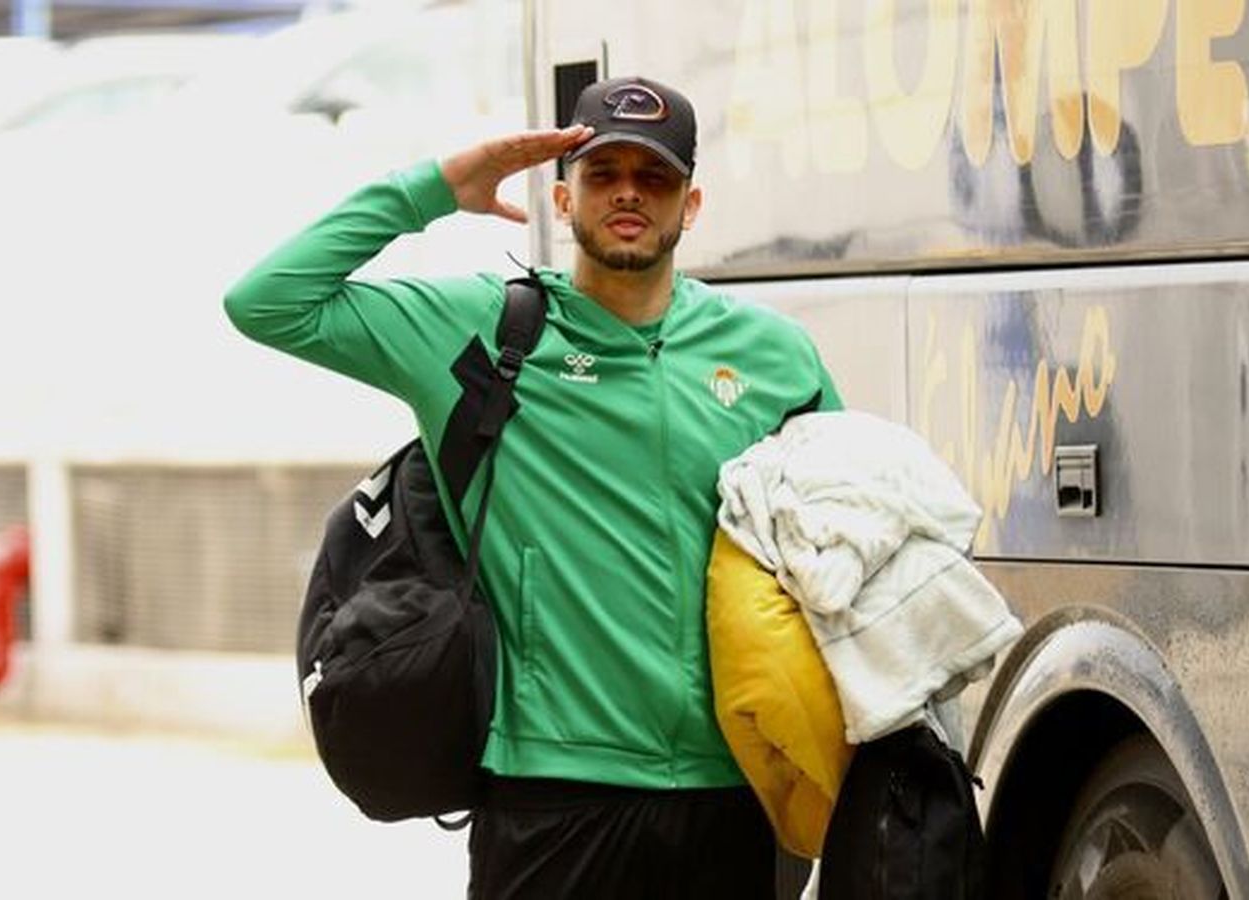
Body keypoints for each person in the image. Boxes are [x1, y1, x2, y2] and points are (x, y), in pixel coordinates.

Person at [225, 75, 842, 899]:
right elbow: (267, 302)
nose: (629, 192)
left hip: (728, 795)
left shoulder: (772, 356)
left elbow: (843, 540)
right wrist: (439, 187)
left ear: (690, 206)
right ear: (562, 197)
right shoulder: (486, 329)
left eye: (654, 177)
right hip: (549, 792)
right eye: (603, 172)